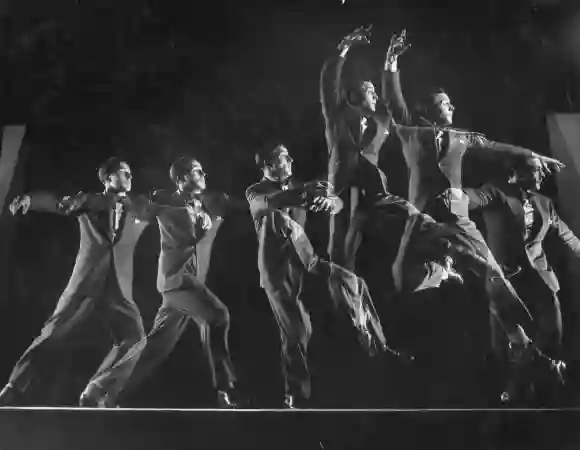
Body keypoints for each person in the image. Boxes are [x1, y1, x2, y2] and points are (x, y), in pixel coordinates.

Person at [383, 29, 565, 379]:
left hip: (456, 219)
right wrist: (391, 61)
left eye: (451, 102)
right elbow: (393, 101)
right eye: (444, 102)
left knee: (491, 274)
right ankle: (443, 272)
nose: (451, 106)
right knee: (401, 279)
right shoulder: (411, 132)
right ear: (427, 108)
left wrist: (533, 154)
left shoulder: (463, 138)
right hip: (420, 219)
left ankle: (523, 346)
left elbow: (497, 147)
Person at [246, 144, 392, 408]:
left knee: (353, 282)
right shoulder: (256, 192)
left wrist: (329, 201)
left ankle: (380, 346)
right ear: (268, 164)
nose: (290, 160)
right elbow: (276, 201)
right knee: (297, 331)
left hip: (308, 263)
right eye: (282, 157)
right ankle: (296, 394)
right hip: (277, 272)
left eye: (290, 156)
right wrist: (307, 193)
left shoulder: (299, 186)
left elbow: (336, 202)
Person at [0, 157, 151, 407]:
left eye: (130, 173)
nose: (129, 177)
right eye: (124, 173)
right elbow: (59, 203)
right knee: (52, 335)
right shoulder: (90, 201)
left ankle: (95, 391)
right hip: (86, 283)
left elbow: (171, 206)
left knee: (135, 338)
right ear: (108, 178)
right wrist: (30, 199)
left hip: (117, 290)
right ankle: (14, 387)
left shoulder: (138, 205)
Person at [113, 157, 246, 408]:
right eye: (197, 171)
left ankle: (111, 392)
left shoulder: (196, 204)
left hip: (181, 282)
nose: (203, 174)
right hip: (177, 280)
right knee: (218, 316)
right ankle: (224, 389)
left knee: (155, 346)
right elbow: (149, 213)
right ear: (182, 178)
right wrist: (130, 202)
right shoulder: (169, 202)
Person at [466, 157, 572, 400]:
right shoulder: (495, 191)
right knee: (505, 343)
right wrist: (458, 195)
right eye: (538, 170)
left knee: (549, 337)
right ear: (517, 173)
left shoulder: (545, 203)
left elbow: (565, 234)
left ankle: (541, 390)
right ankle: (513, 393)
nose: (543, 175)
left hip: (539, 279)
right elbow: (473, 198)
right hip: (506, 279)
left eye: (544, 172)